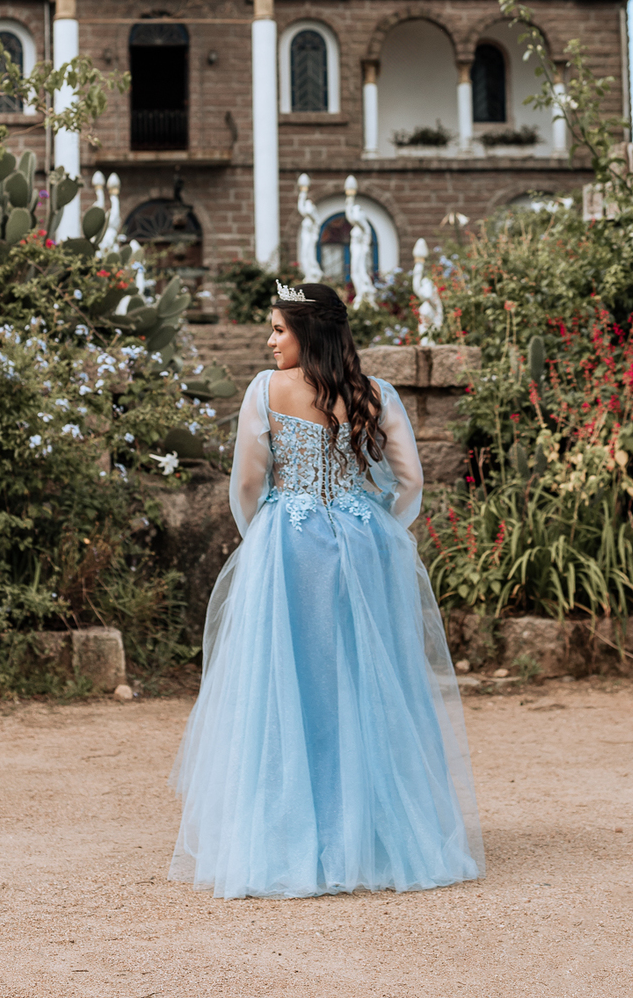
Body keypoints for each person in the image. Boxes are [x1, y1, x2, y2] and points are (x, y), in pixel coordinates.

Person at [169, 280, 485, 899]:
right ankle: (373, 838)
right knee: (367, 682)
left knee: (290, 686)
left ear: (307, 331)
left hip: (291, 547)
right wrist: (384, 530)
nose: (269, 340)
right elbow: (411, 481)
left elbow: (245, 486)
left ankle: (287, 841)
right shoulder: (376, 393)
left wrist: (261, 539)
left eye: (279, 329)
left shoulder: (266, 390)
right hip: (363, 543)